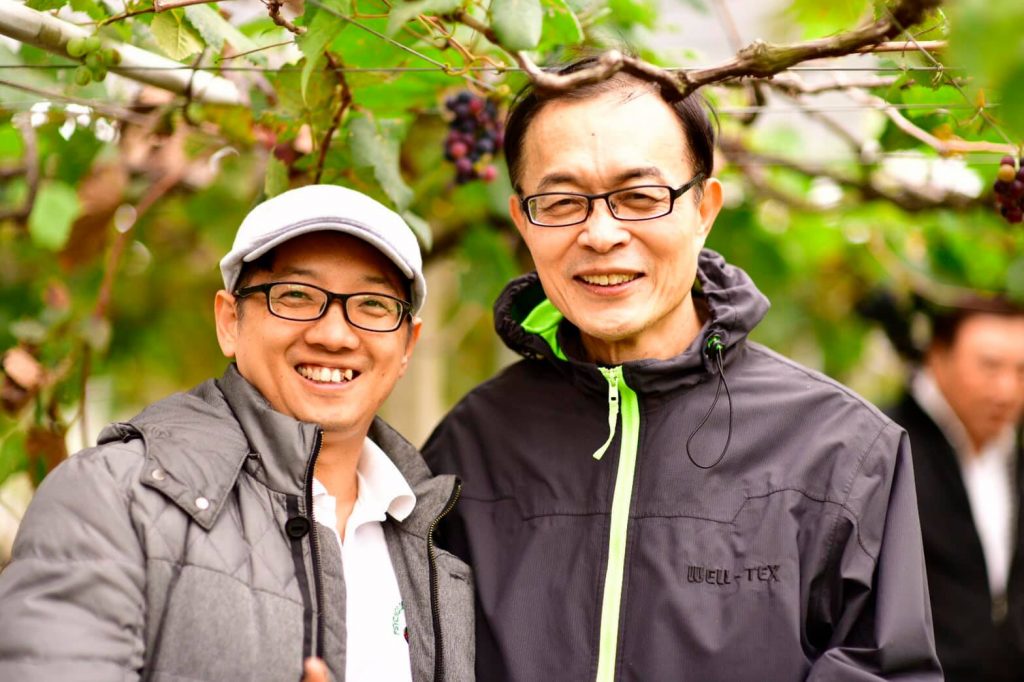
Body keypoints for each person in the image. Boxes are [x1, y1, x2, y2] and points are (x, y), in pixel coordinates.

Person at [423, 58, 942, 681]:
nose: (601, 234)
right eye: (561, 202)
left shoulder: (842, 451)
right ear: (522, 221)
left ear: (704, 209)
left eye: (640, 197)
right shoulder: (469, 448)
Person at [0, 184, 474, 681]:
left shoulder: (437, 544)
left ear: (407, 345)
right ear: (229, 321)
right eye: (296, 295)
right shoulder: (111, 499)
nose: (335, 335)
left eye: (373, 304)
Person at [885, 301, 1024, 682]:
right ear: (938, 356)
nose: (1007, 390)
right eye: (989, 366)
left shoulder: (1013, 455)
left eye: (1021, 371)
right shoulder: (884, 448)